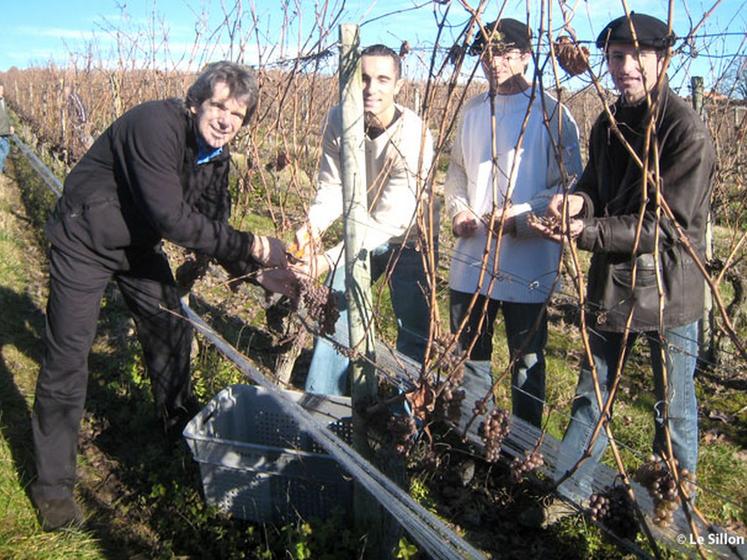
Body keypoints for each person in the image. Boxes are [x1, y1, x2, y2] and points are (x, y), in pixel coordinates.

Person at [31, 61, 297, 531]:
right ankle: (52, 488)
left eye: (237, 115)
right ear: (196, 101)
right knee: (68, 358)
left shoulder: (215, 160)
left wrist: (256, 274)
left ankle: (178, 429)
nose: (225, 121)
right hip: (85, 237)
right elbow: (173, 218)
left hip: (136, 245)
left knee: (172, 328)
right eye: (218, 106)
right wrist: (256, 245)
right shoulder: (155, 124)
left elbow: (210, 230)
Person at [534, 14, 716, 502]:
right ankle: (567, 496)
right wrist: (576, 200)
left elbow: (665, 227)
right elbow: (597, 185)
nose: (625, 67)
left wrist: (585, 230)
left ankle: (674, 514)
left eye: (637, 56)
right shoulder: (608, 122)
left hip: (668, 291)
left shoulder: (685, 132)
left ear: (663, 60)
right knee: (591, 397)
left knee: (672, 410)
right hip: (613, 285)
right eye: (616, 57)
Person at [445, 19, 582, 428]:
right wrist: (459, 210)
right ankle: (469, 439)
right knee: (471, 359)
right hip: (472, 262)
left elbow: (571, 184)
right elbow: (455, 170)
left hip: (530, 264)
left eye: (505, 53)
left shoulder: (552, 113)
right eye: (486, 52)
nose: (493, 62)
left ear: (525, 56)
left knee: (526, 365)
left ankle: (522, 451)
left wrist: (523, 216)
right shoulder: (472, 110)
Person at [294, 44, 435, 396]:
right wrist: (311, 228)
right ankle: (324, 402)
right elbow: (332, 185)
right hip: (358, 231)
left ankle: (404, 416)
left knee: (413, 331)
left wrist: (326, 259)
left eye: (382, 79)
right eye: (363, 78)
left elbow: (390, 221)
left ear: (398, 86)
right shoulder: (338, 119)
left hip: (407, 237)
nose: (371, 88)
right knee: (334, 313)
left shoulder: (413, 135)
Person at [0, 84, 14, 174]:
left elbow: (7, 115)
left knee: (5, 150)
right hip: (0, 131)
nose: (2, 92)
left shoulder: (3, 101)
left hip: (5, 130)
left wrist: (11, 125)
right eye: (0, 90)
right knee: (3, 151)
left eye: (2, 90)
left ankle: (1, 167)